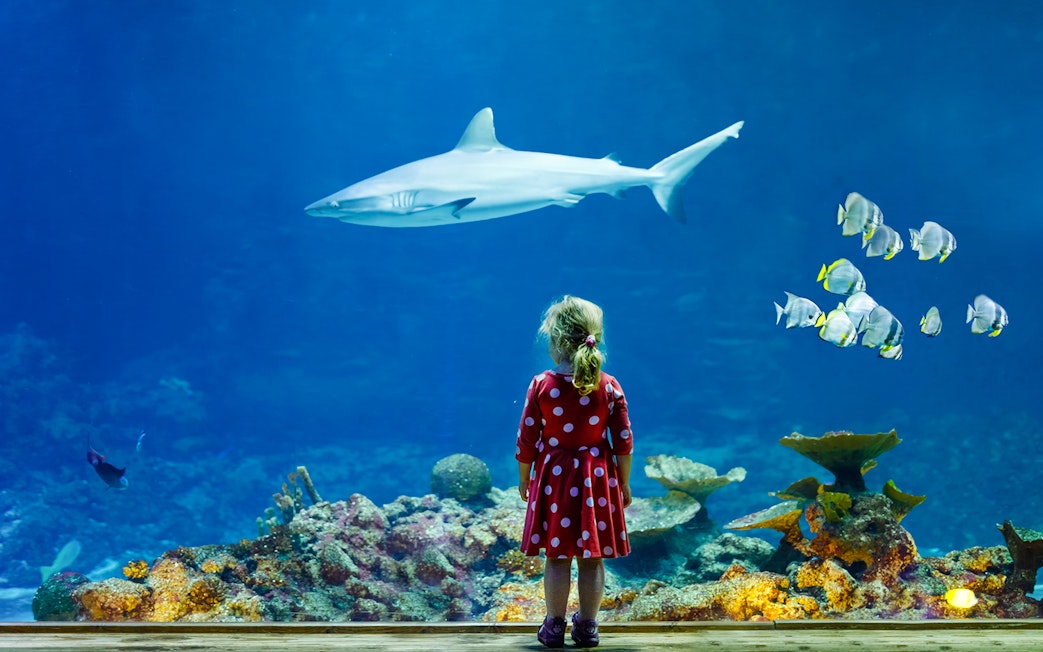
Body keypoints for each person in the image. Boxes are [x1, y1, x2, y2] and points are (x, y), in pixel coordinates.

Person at [515, 295, 634, 649]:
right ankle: (588, 627)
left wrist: (525, 477)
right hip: (596, 477)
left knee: (557, 556)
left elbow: (526, 438)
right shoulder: (609, 385)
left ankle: (553, 626)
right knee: (592, 558)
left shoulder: (541, 385)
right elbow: (624, 440)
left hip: (554, 477)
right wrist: (624, 482)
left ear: (555, 341)